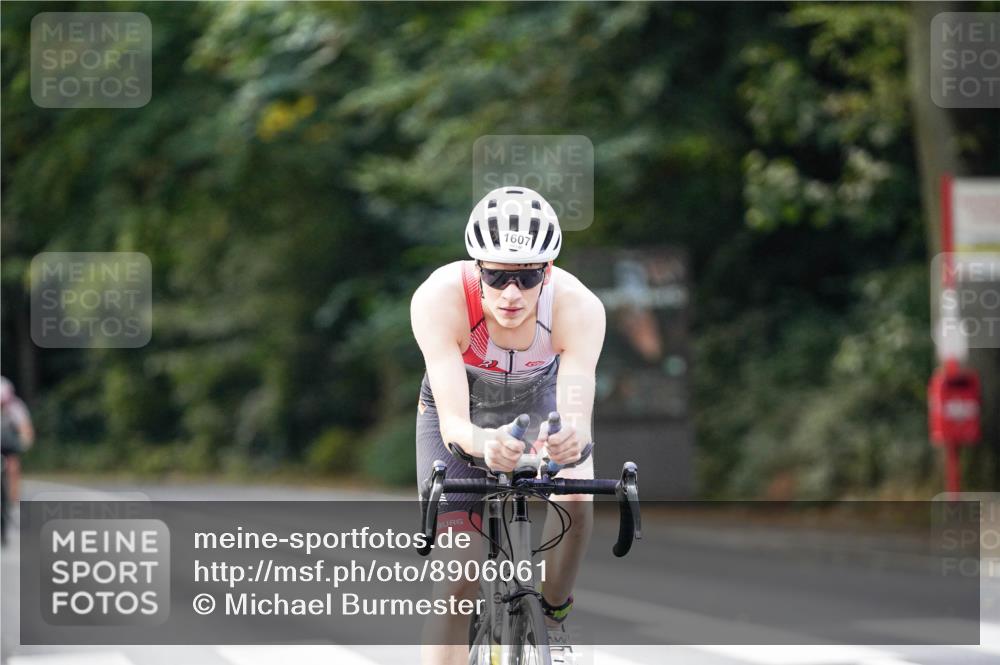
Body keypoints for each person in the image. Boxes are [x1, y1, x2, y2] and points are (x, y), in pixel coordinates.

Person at [411, 186, 606, 664]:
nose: (512, 293)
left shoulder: (578, 307)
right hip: (462, 410)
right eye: (497, 277)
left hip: (538, 400)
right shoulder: (440, 298)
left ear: (548, 271)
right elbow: (455, 425)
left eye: (527, 276)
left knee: (576, 496)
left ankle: (553, 619)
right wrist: (484, 444)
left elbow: (577, 414)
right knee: (457, 578)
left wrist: (571, 440)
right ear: (477, 267)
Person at [1, 376, 34, 504]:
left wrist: (25, 441)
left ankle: (13, 498)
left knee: (13, 463)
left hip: (7, 440)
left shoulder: (15, 406)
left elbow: (25, 426)